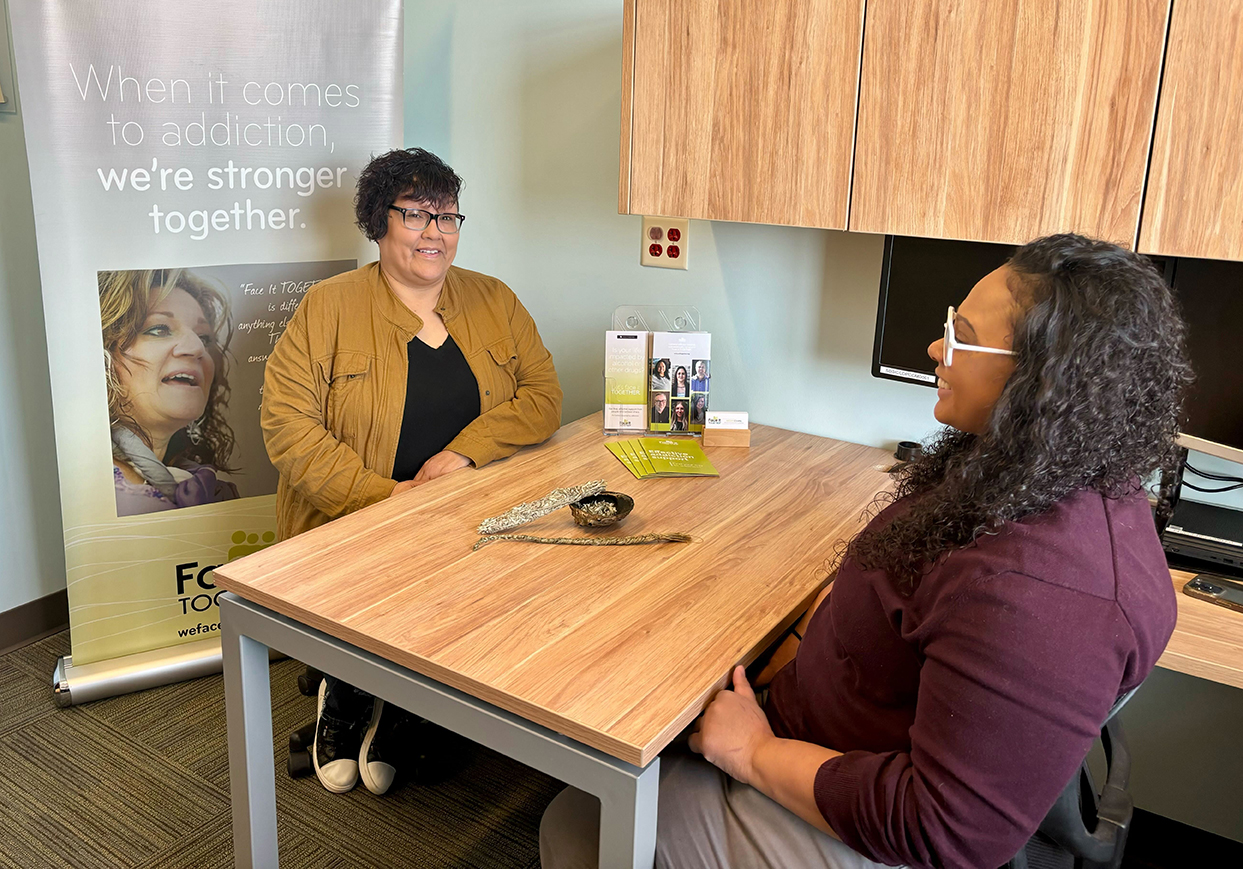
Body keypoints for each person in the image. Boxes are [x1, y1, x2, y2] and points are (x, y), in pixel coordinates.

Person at [540, 234, 1187, 869]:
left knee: (579, 823)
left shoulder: (1042, 596)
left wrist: (753, 753)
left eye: (959, 335)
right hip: (827, 730)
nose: (936, 347)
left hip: (868, 819)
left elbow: (943, 830)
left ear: (1043, 382)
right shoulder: (1041, 470)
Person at [262, 147, 562, 797]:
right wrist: (385, 496)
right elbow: (286, 424)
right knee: (363, 608)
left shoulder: (493, 298)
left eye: (448, 217)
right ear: (378, 222)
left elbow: (541, 396)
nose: (435, 233)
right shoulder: (328, 306)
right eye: (416, 215)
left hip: (460, 510)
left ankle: (400, 703)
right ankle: (340, 696)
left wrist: (466, 451)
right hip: (352, 519)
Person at [100, 269, 239, 516]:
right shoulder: (96, 489)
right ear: (104, 353)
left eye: (204, 337)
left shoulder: (202, 486)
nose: (197, 348)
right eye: (159, 329)